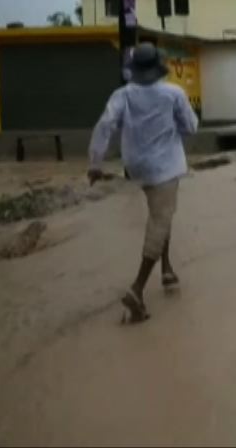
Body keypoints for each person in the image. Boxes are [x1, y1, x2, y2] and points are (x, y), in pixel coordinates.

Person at [88, 42, 199, 323]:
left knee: (160, 214)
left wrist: (95, 164)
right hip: (166, 165)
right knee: (160, 220)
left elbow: (104, 125)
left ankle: (167, 268)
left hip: (136, 166)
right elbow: (191, 126)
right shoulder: (173, 93)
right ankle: (137, 289)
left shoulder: (122, 95)